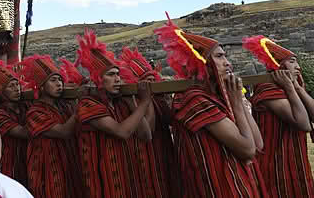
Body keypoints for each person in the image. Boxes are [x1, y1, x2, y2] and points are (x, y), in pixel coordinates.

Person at [155, 15, 264, 198]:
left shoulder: (216, 97)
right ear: (202, 62)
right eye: (219, 57)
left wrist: (238, 101)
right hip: (219, 189)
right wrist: (237, 103)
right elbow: (247, 150)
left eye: (226, 57)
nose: (228, 63)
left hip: (236, 184)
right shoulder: (195, 100)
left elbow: (258, 144)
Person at [74, 31, 156, 198]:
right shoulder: (88, 104)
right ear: (98, 78)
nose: (118, 78)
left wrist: (133, 103)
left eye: (118, 74)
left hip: (128, 179)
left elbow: (146, 135)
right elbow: (122, 132)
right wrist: (145, 102)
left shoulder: (121, 103)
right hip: (104, 183)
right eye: (111, 75)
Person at [244, 36, 314, 197]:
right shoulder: (267, 89)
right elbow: (303, 123)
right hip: (276, 164)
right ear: (278, 66)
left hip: (295, 161)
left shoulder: (292, 88)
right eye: (292, 62)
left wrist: (298, 88)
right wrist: (291, 88)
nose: (298, 67)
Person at [20, 55, 82, 198]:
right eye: (53, 80)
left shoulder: (64, 106)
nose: (59, 84)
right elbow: (64, 132)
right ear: (41, 86)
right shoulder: (35, 112)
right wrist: (80, 105)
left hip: (69, 168)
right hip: (48, 172)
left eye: (60, 79)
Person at [121, 46, 179, 197]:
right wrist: (147, 100)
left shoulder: (158, 98)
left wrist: (166, 99)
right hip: (145, 155)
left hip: (164, 151)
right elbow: (149, 131)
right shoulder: (135, 101)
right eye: (148, 81)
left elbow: (172, 120)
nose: (152, 83)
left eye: (154, 79)